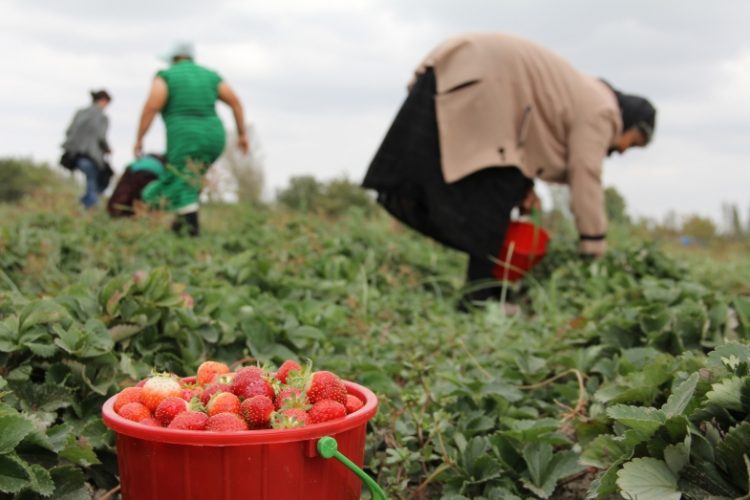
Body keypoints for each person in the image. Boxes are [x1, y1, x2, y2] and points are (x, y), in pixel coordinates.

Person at [362, 33, 656, 306]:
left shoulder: (583, 93)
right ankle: (479, 297)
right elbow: (586, 174)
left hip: (463, 68)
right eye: (633, 143)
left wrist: (526, 189)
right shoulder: (602, 111)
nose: (621, 150)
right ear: (632, 123)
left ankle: (484, 291)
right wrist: (593, 244)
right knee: (496, 192)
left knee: (499, 185)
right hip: (485, 77)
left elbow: (530, 139)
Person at [134, 41, 248, 236]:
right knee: (189, 179)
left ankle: (189, 231)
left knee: (180, 178)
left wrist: (140, 138)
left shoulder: (167, 76)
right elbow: (235, 102)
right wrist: (242, 134)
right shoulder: (211, 76)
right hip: (214, 137)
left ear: (173, 58)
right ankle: (180, 227)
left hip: (185, 138)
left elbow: (152, 106)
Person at [62, 90, 112, 208]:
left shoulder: (80, 113)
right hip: (91, 156)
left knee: (92, 179)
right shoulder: (102, 117)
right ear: (103, 101)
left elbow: (68, 132)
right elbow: (101, 137)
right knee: (97, 179)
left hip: (74, 155)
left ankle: (86, 202)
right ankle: (89, 205)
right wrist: (107, 149)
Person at [107, 153, 166, 218]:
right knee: (142, 200)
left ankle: (116, 214)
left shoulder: (145, 158)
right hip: (154, 174)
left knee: (120, 198)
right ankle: (135, 216)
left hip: (135, 170)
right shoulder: (163, 163)